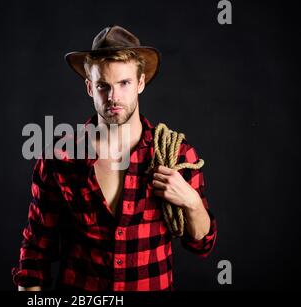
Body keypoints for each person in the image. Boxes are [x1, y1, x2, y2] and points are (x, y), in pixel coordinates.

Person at [11, 25, 217, 291]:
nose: (113, 96)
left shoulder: (176, 154)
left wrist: (190, 201)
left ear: (140, 83)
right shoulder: (59, 158)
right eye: (102, 86)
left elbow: (202, 243)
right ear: (89, 87)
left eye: (124, 83)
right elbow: (35, 254)